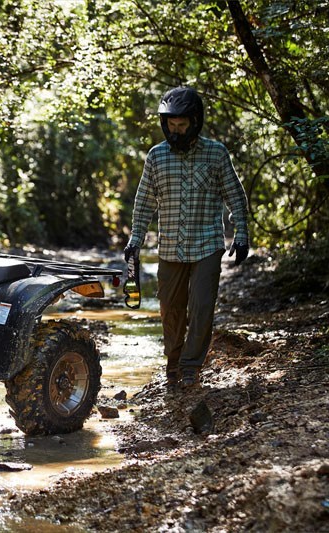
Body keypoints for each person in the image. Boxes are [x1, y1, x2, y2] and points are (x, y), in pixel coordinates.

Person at [124, 86, 249, 392]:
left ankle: (191, 367)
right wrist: (135, 240)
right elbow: (144, 201)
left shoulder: (216, 153)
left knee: (202, 306)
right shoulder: (156, 156)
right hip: (169, 247)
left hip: (207, 243)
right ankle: (173, 363)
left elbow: (235, 195)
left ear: (195, 122)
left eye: (181, 126)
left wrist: (242, 233)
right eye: (171, 125)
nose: (175, 131)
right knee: (171, 309)